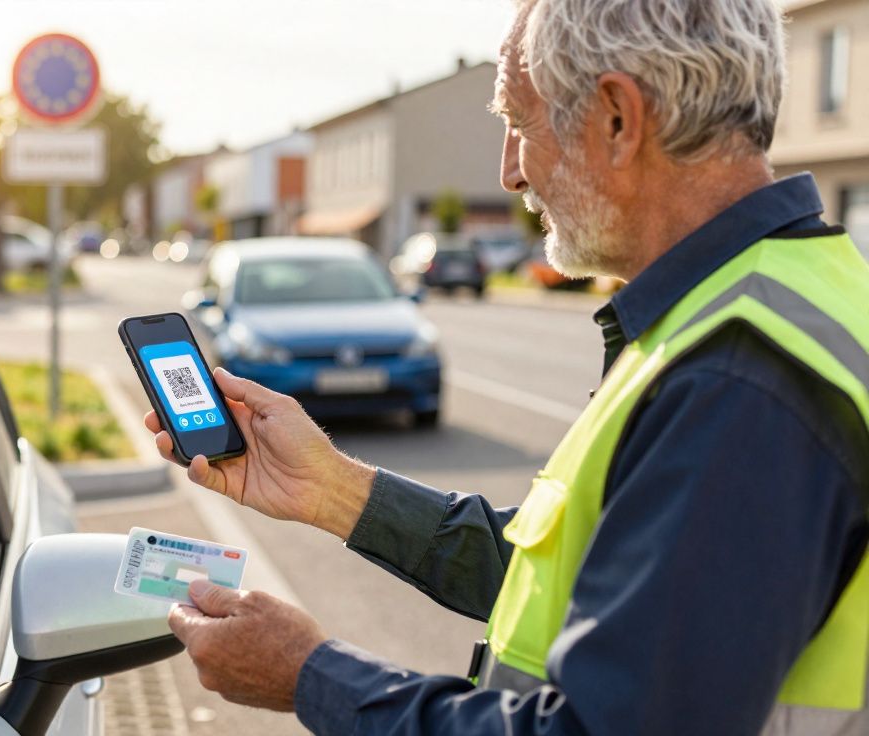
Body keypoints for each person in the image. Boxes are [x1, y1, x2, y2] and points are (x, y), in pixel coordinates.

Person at [144, 0, 869, 733]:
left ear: (618, 119)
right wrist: (330, 489)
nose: (510, 173)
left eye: (519, 124)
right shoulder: (794, 296)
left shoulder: (735, 378)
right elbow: (577, 576)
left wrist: (310, 676)